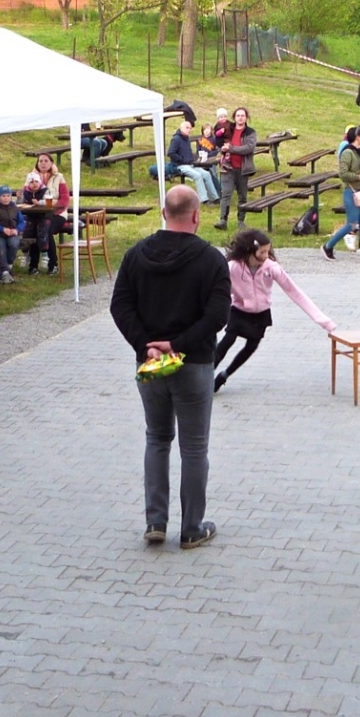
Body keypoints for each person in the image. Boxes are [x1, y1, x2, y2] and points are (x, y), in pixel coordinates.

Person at [109, 185, 230, 549]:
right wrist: (178, 345)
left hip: (150, 367)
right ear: (196, 215)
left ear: (164, 213)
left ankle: (155, 521)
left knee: (157, 439)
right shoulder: (211, 260)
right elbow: (218, 316)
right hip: (194, 365)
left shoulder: (135, 255)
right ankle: (192, 528)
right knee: (194, 449)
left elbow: (120, 306)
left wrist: (145, 345)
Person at [215, 228, 336, 393]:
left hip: (261, 314)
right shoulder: (233, 268)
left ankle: (224, 375)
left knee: (251, 346)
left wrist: (325, 322)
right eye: (262, 252)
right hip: (239, 310)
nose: (266, 256)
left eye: (268, 251)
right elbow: (216, 288)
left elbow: (295, 292)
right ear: (250, 250)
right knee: (227, 340)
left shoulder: (271, 268)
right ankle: (205, 376)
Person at [322, 125, 360, 264]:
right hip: (352, 193)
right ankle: (328, 246)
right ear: (357, 137)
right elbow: (343, 174)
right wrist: (359, 177)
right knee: (351, 224)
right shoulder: (347, 152)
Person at [26, 153, 72, 275]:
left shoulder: (59, 177)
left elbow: (65, 199)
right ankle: (33, 265)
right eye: (40, 161)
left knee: (46, 229)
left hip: (57, 213)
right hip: (37, 214)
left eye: (46, 161)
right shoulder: (31, 177)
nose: (43, 163)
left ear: (51, 163)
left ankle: (53, 264)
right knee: (34, 230)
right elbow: (27, 194)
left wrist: (52, 209)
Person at [215, 106, 258, 231]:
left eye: (242, 115)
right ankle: (223, 220)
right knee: (226, 194)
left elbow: (248, 148)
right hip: (227, 167)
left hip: (243, 169)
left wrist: (231, 149)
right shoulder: (228, 128)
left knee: (242, 196)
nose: (240, 118)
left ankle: (241, 221)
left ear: (246, 118)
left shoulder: (250, 132)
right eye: (238, 115)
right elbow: (218, 140)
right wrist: (222, 148)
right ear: (234, 117)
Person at [165, 119, 221, 203]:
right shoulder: (176, 139)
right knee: (198, 175)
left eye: (190, 128)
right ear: (181, 128)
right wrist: (181, 159)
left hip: (191, 164)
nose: (189, 130)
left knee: (206, 174)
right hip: (180, 165)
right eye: (187, 128)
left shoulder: (186, 139)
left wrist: (192, 158)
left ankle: (215, 197)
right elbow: (171, 152)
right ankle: (204, 199)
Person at [0, 184, 25, 285]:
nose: (6, 198)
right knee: (1, 250)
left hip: (13, 233)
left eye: (8, 196)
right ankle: (5, 272)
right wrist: (2, 229)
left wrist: (17, 230)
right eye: (3, 196)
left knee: (14, 245)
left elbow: (21, 222)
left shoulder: (15, 208)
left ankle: (8, 265)